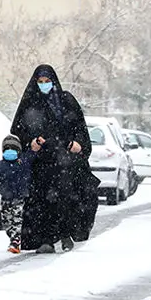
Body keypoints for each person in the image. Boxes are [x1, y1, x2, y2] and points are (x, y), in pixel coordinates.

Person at [9, 64, 100, 253]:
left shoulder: (65, 101)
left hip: (64, 160)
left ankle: (66, 233)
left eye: (47, 81)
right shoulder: (30, 103)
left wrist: (76, 143)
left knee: (66, 197)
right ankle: (46, 239)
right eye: (40, 82)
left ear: (54, 81)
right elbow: (18, 130)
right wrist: (31, 142)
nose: (44, 85)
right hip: (41, 162)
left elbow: (79, 127)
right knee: (42, 201)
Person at [0, 134, 35, 254]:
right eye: (7, 149)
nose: (10, 151)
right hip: (6, 199)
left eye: (13, 149)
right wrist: (1, 189)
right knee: (7, 222)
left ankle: (15, 240)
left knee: (17, 220)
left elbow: (31, 157)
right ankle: (13, 237)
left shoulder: (22, 163)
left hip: (20, 198)